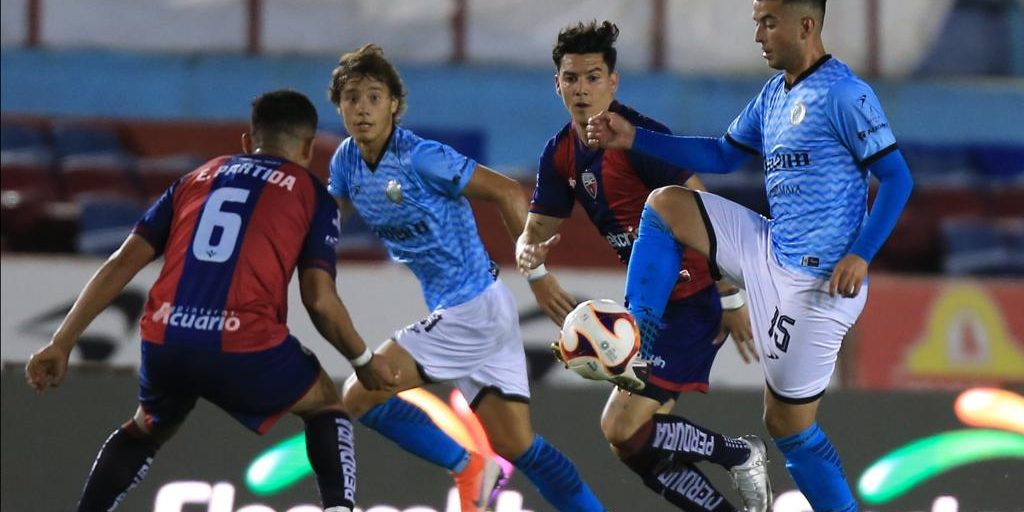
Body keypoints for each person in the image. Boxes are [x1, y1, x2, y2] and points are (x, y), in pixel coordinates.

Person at [586, 1, 914, 510]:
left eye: (768, 22)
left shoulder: (847, 95)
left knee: (786, 425)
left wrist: (861, 254)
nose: (758, 34)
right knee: (665, 205)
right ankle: (638, 338)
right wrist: (634, 139)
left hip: (818, 284)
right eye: (756, 22)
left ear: (806, 25)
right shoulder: (773, 96)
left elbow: (897, 178)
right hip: (771, 246)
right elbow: (722, 154)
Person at [24, 90, 398, 512]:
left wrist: (61, 341)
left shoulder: (197, 176)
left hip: (168, 335)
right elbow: (319, 299)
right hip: (243, 343)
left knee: (147, 428)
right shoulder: (312, 195)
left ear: (247, 141)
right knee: (326, 404)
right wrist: (363, 361)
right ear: (309, 148)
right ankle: (339, 508)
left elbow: (121, 262)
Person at [326, 44, 603, 512]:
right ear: (340, 106)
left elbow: (506, 191)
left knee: (358, 395)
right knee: (520, 446)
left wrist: (535, 273)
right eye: (352, 98)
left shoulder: (421, 158)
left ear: (394, 104)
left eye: (374, 97)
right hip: (476, 308)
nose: (363, 108)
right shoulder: (346, 163)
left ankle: (468, 464)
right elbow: (324, 222)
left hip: (471, 307)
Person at [516, 20, 772, 512]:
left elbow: (704, 210)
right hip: (650, 311)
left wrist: (731, 295)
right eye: (571, 78)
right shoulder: (561, 154)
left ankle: (739, 453)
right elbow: (538, 229)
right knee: (634, 442)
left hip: (692, 301)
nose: (582, 90)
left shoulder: (641, 138)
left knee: (619, 425)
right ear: (558, 84)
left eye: (593, 77)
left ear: (613, 82)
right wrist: (529, 256)